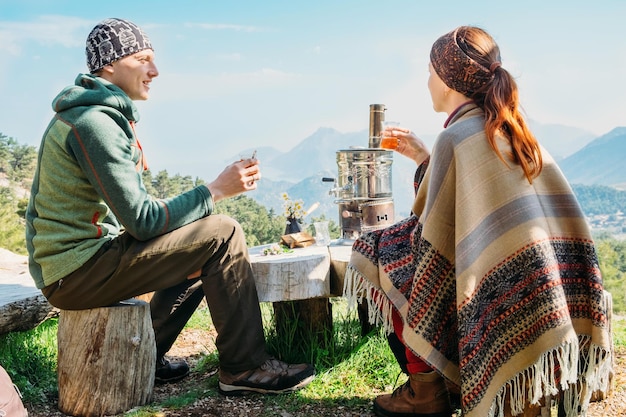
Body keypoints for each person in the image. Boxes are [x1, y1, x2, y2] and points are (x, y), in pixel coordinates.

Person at [25, 17, 315, 395]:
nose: (155, 70)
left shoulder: (92, 116)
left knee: (195, 238)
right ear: (110, 64)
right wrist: (215, 190)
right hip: (76, 272)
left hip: (78, 264)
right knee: (222, 232)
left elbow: (138, 214)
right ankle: (245, 367)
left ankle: (147, 352)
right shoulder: (93, 124)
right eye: (143, 59)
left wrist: (198, 206)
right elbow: (143, 222)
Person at [344, 26, 612, 417]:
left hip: (503, 287)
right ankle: (510, 392)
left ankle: (427, 391)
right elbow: (469, 206)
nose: (427, 81)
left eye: (430, 71)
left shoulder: (456, 136)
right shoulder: (511, 126)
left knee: (381, 252)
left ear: (449, 79)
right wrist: (423, 158)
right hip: (548, 287)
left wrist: (379, 237)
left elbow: (432, 231)